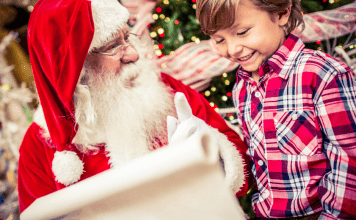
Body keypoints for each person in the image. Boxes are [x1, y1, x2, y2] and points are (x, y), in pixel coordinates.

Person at [17, 0, 252, 214]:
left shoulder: (163, 88)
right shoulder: (39, 147)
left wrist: (213, 151)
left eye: (127, 38)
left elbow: (243, 169)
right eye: (113, 46)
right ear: (75, 69)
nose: (132, 54)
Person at [196, 0, 356, 219]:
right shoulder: (241, 88)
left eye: (242, 32)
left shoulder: (322, 73)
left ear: (281, 13)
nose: (232, 49)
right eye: (219, 40)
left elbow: (349, 161)